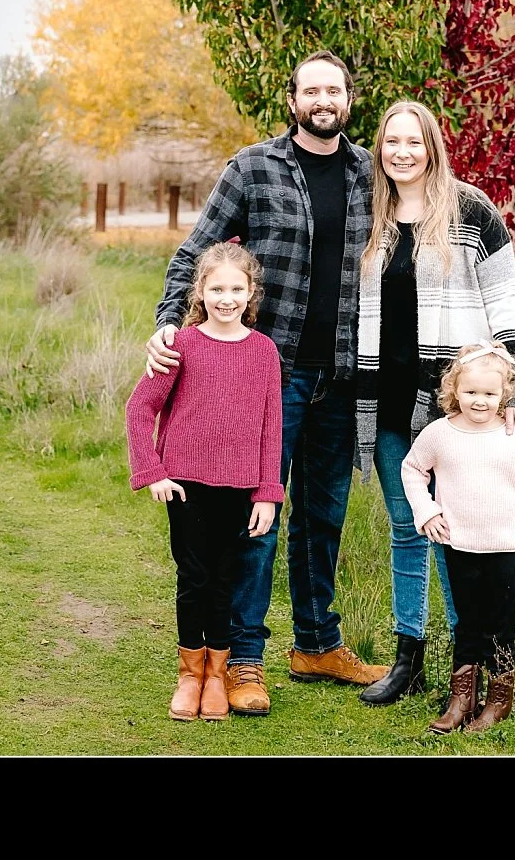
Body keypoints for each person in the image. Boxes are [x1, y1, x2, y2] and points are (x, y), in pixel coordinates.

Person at [144, 51, 388, 716]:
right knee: (260, 518)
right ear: (293, 98)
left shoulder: (372, 173)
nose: (323, 99)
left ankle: (316, 644)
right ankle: (241, 662)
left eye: (334, 88)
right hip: (265, 379)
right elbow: (196, 252)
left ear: (348, 98)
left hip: (343, 375)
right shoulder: (253, 167)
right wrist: (170, 324)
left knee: (323, 520)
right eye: (311, 88)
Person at [353, 101, 515, 707]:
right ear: (379, 148)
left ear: (431, 146)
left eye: (414, 142)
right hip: (386, 397)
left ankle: (473, 663)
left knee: (461, 535)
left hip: (456, 404)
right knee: (409, 529)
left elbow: (507, 306)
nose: (401, 152)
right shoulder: (371, 216)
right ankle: (408, 658)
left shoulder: (471, 211)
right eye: (390, 142)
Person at [125, 241, 284, 722]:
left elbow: (270, 428)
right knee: (194, 579)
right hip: (186, 485)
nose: (227, 297)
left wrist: (267, 494)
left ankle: (217, 675)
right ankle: (189, 676)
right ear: (201, 290)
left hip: (239, 488)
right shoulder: (181, 345)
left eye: (237, 288)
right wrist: (152, 470)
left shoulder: (263, 352)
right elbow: (140, 408)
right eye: (217, 288)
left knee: (226, 582)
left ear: (252, 292)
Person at [399, 343, 515, 735]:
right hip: (459, 545)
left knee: (500, 625)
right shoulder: (440, 433)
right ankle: (462, 698)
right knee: (466, 623)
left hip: (505, 548)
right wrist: (427, 511)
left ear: (505, 393)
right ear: (454, 390)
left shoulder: (514, 437)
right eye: (470, 392)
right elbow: (413, 470)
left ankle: (498, 700)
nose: (479, 401)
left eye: (489, 393)